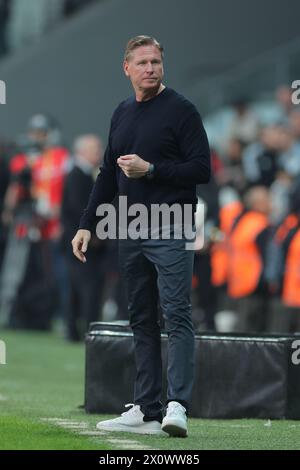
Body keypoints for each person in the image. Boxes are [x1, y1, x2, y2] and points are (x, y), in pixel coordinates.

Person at [72, 35, 210, 437]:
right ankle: (147, 408)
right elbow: (107, 176)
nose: (150, 68)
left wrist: (151, 170)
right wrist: (86, 223)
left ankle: (178, 406)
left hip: (172, 225)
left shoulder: (182, 110)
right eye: (143, 62)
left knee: (177, 313)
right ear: (126, 68)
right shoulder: (121, 113)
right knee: (141, 319)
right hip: (130, 227)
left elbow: (202, 169)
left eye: (156, 62)